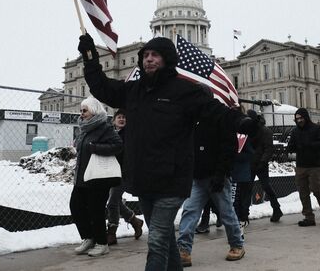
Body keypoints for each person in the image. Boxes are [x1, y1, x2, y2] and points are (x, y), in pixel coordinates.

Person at [77, 33, 256, 270]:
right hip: (144, 178)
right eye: (146, 55)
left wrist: (241, 121)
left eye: (155, 55)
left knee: (158, 239)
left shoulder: (183, 90)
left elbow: (215, 110)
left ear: (167, 59)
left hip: (172, 179)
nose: (149, 60)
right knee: (165, 239)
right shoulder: (133, 90)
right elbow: (102, 87)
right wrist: (90, 57)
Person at [178, 105, 244, 267]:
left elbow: (229, 148)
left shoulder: (220, 120)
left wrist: (221, 174)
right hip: (198, 176)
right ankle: (183, 250)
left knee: (226, 212)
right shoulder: (193, 121)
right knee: (190, 211)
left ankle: (237, 244)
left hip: (216, 176)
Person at [71, 97, 123, 257]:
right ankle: (89, 237)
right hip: (82, 176)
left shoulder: (104, 127)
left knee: (96, 210)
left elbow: (118, 145)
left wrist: (96, 148)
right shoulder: (84, 128)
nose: (82, 113)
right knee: (76, 206)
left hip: (99, 176)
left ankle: (102, 243)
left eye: (84, 110)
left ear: (93, 110)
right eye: (81, 110)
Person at [287, 108, 320, 227]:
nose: (299, 121)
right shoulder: (295, 131)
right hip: (301, 165)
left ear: (306, 117)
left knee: (316, 188)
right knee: (303, 192)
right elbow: (291, 145)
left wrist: (309, 145)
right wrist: (292, 147)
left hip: (314, 165)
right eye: (297, 119)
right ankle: (308, 216)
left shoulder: (317, 129)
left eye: (301, 118)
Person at [106, 109, 144, 245]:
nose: (122, 119)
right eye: (119, 117)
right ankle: (135, 221)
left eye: (124, 118)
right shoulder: (111, 133)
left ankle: (111, 233)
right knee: (114, 201)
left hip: (124, 173)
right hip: (110, 172)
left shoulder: (129, 134)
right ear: (114, 120)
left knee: (112, 203)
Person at [247, 109, 283, 222]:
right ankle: (244, 213)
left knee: (265, 187)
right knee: (248, 189)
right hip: (252, 163)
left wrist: (262, 162)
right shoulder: (251, 130)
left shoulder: (264, 131)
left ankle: (276, 209)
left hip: (259, 163)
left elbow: (268, 148)